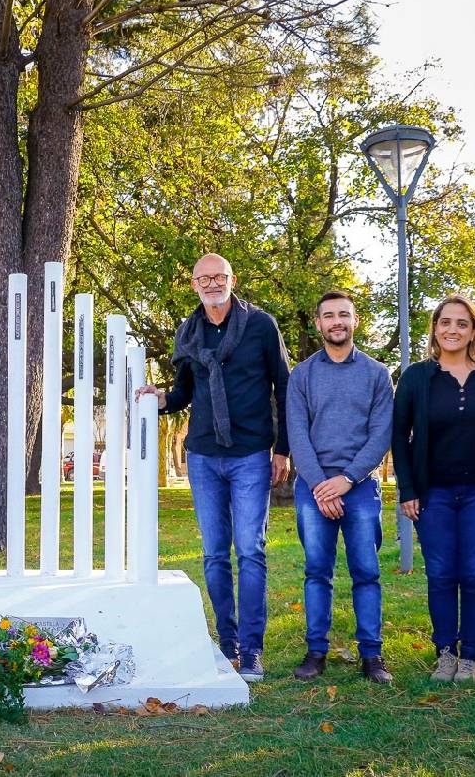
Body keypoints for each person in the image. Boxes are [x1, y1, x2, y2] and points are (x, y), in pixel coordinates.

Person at [136, 253, 291, 683]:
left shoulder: (261, 325)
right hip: (203, 454)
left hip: (251, 453)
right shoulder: (187, 333)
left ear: (231, 279)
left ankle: (254, 650)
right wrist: (161, 398)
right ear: (193, 285)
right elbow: (184, 392)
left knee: (251, 550)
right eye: (202, 278)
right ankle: (228, 643)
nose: (211, 283)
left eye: (218, 276)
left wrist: (283, 448)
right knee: (214, 554)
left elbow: (283, 383)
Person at [392, 295, 475, 683]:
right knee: (441, 573)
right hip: (433, 492)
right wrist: (407, 489)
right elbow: (399, 434)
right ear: (435, 328)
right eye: (445, 322)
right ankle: (445, 653)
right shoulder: (416, 377)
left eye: (462, 323)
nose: (453, 330)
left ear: (474, 330)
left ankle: (471, 656)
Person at [287, 291, 394, 683]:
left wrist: (346, 480)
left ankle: (372, 655)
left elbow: (381, 434)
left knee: (366, 571)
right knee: (318, 571)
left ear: (355, 321)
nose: (336, 322)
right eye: (329, 316)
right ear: (318, 323)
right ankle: (316, 651)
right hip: (313, 488)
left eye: (343, 315)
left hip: (360, 486)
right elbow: (297, 435)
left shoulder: (377, 374)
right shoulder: (302, 375)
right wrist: (321, 486)